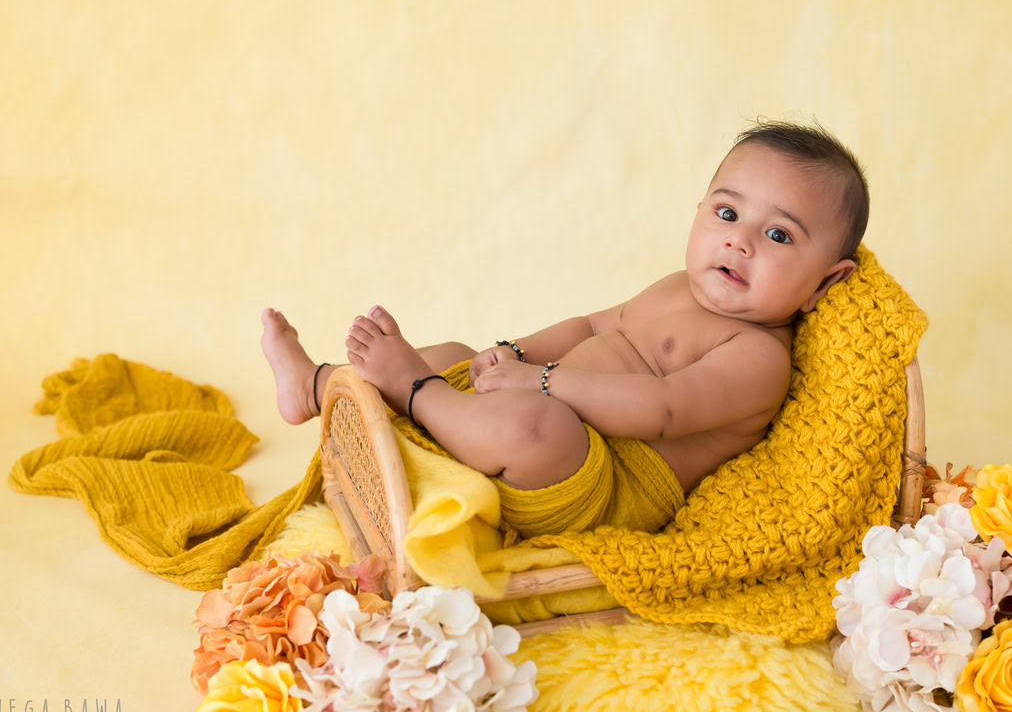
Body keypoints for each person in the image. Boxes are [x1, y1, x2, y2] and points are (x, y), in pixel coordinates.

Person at [260, 119, 869, 536]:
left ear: (825, 283)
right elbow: (587, 324)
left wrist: (542, 382)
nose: (740, 240)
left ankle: (421, 395)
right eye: (728, 212)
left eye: (779, 234)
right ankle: (314, 386)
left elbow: (662, 409)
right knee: (454, 350)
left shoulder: (758, 355)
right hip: (548, 405)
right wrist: (511, 352)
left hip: (603, 482)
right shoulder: (679, 287)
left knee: (537, 427)